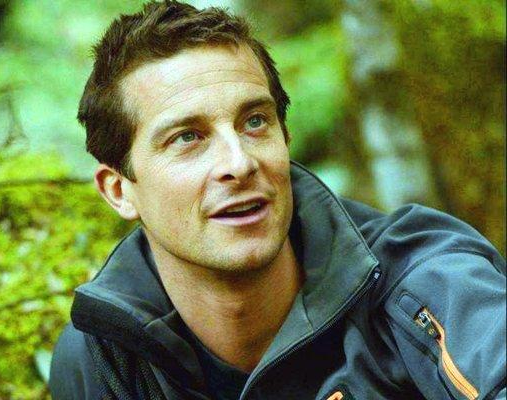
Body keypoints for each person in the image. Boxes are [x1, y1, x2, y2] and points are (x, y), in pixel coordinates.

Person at [49, 1, 506, 399]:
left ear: (285, 139)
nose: (239, 162)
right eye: (187, 137)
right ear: (119, 190)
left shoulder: (424, 278)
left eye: (254, 122)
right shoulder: (104, 355)